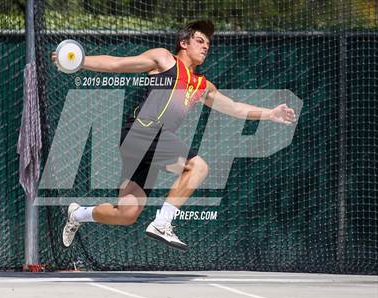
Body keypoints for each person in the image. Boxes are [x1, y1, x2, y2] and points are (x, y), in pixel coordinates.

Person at [52, 20, 296, 251]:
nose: (205, 47)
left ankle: (77, 214)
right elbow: (118, 64)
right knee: (198, 167)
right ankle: (162, 223)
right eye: (200, 41)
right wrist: (80, 61)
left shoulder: (203, 85)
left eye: (208, 45)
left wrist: (270, 113)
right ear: (184, 43)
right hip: (141, 131)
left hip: (150, 144)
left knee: (126, 214)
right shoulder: (164, 60)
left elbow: (234, 108)